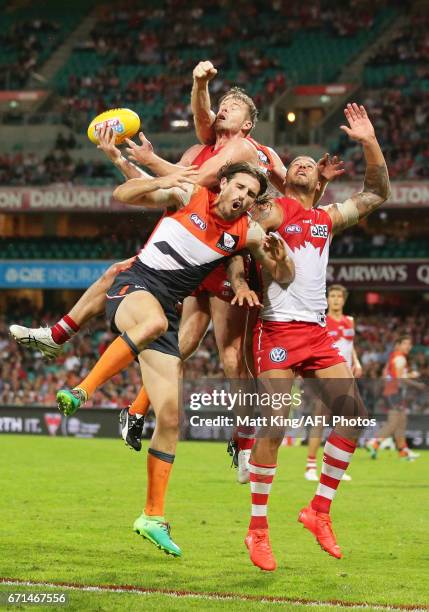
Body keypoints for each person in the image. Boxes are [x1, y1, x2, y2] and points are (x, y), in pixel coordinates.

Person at [10, 61, 343, 469]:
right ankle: (119, 395)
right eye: (218, 104)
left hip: (229, 249)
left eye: (232, 106)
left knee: (232, 354)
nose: (221, 109)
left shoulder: (245, 153)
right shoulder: (199, 149)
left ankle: (240, 442)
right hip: (192, 247)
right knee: (170, 330)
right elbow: (170, 186)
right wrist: (125, 158)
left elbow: (289, 191)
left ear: (249, 123)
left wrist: (151, 159)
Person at [56, 162, 295, 557]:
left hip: (166, 316)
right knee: (149, 320)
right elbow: (122, 195)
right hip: (134, 289)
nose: (243, 198)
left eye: (251, 195)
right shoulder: (190, 194)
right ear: (223, 184)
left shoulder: (247, 232)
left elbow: (281, 273)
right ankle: (83, 390)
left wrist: (281, 258)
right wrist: (162, 180)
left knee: (169, 418)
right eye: (239, 188)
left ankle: (152, 516)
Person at [227, 104, 390, 571]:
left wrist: (370, 141)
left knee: (354, 418)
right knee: (276, 426)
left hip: (316, 333)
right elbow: (241, 238)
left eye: (306, 162)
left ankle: (318, 511)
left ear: (316, 177)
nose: (300, 163)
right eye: (293, 162)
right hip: (276, 329)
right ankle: (257, 530)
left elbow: (377, 193)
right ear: (286, 177)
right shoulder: (276, 208)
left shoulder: (323, 219)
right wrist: (239, 281)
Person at [304, 284, 362, 482]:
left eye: (339, 296)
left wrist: (357, 361)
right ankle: (310, 465)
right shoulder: (322, 321)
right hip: (328, 374)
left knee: (345, 421)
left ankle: (335, 467)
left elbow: (350, 344)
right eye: (333, 296)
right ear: (327, 299)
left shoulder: (350, 321)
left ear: (344, 300)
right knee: (320, 418)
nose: (336, 299)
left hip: (346, 374)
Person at [366, 335, 422, 461]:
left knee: (402, 421)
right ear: (399, 345)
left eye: (410, 344)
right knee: (394, 422)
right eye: (406, 344)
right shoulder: (400, 358)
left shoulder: (393, 356)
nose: (409, 346)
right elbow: (400, 378)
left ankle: (403, 451)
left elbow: (386, 372)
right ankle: (374, 442)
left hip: (393, 392)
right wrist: (415, 380)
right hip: (394, 393)